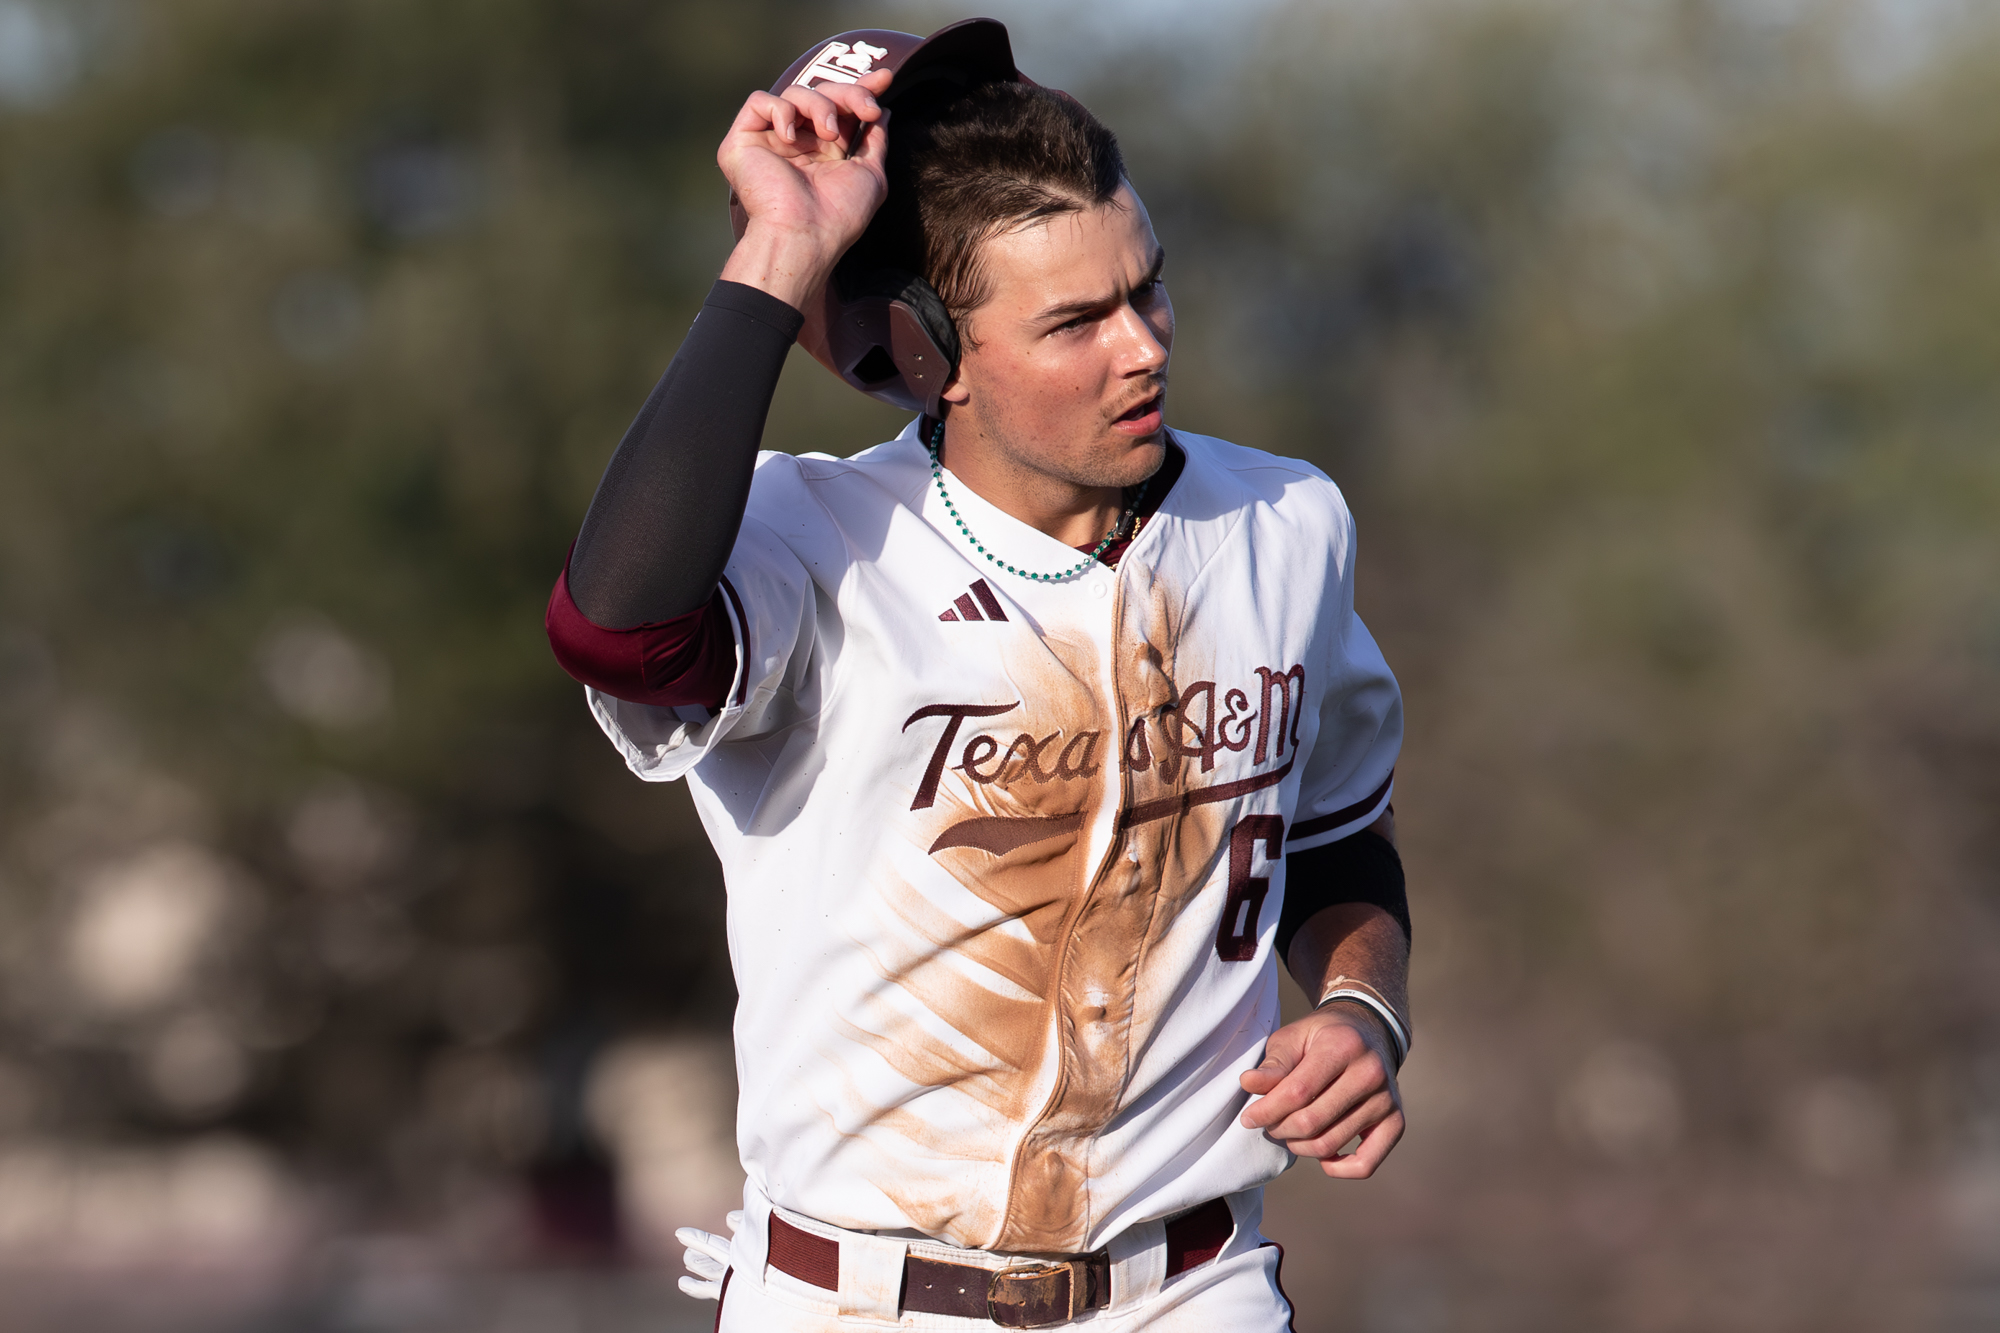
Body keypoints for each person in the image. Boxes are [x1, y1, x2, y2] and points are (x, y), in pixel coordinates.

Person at [546, 20, 1410, 1331]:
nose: (1143, 347)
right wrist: (780, 250)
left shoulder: (1285, 524)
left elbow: (1339, 835)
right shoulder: (818, 543)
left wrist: (1362, 1006)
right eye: (1076, 320)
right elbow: (615, 629)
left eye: (1147, 288)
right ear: (932, 350)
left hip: (1189, 1291)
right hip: (859, 1300)